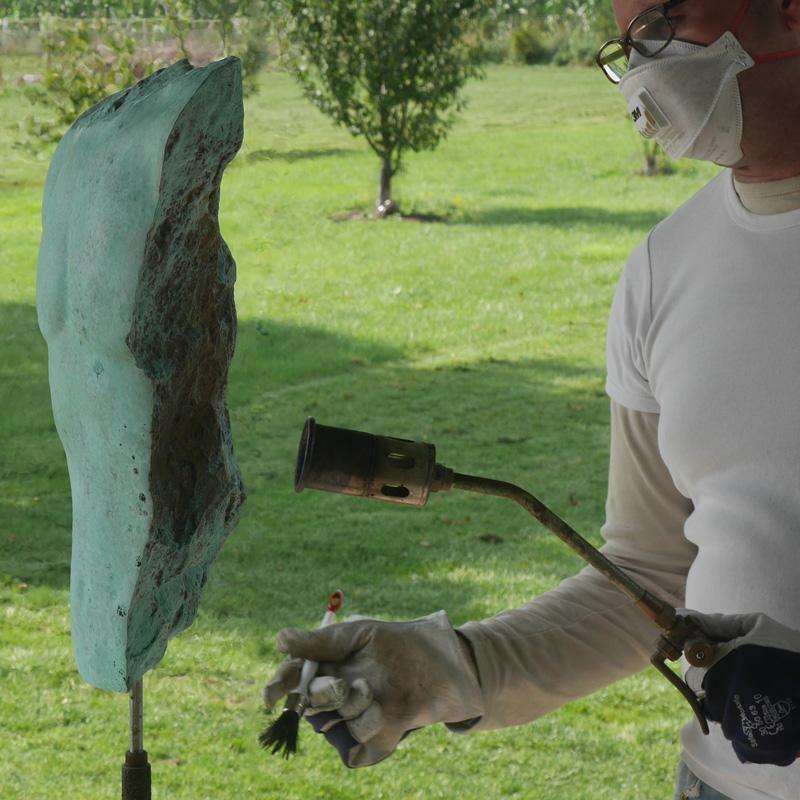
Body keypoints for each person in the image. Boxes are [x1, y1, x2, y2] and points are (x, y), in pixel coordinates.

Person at [264, 2, 800, 797]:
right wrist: (454, 668)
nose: (645, 66)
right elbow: (649, 578)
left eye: (663, 21)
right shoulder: (662, 273)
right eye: (627, 45)